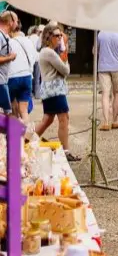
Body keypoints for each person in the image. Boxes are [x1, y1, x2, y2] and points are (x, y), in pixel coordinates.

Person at [37, 24, 80, 161]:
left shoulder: (48, 52)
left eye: (61, 35)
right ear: (49, 37)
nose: (60, 38)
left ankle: (26, 142)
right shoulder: (49, 52)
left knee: (48, 119)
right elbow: (65, 70)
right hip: (54, 90)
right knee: (63, 118)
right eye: (57, 35)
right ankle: (65, 152)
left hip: (52, 90)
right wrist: (65, 54)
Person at [8, 14, 38, 123]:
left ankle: (14, 138)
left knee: (13, 110)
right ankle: (24, 137)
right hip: (27, 77)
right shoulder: (29, 41)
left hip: (12, 77)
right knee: (24, 111)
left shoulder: (9, 42)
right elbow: (35, 58)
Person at [97, 30, 118, 130]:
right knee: (117, 94)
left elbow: (95, 51)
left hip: (103, 67)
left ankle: (106, 122)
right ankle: (115, 121)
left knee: (105, 94)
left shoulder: (101, 33)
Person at [0, 11, 17, 116]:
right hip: (0, 82)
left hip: (3, 80)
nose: (17, 24)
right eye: (16, 21)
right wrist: (10, 57)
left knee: (9, 114)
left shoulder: (4, 36)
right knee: (9, 115)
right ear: (10, 22)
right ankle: (17, 132)